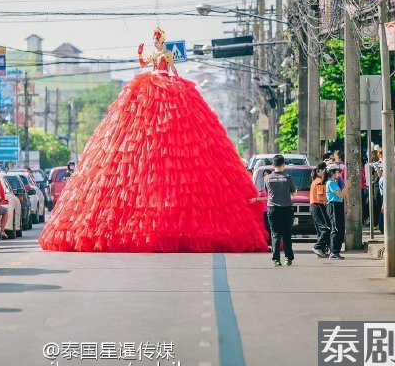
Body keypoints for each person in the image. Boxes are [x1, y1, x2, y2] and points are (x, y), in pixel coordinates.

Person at [38, 26, 268, 252]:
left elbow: (173, 71)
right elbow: (143, 64)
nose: (156, 43)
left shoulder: (167, 55)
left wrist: (174, 83)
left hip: (166, 86)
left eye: (158, 40)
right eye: (154, 41)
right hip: (150, 85)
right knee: (138, 136)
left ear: (162, 42)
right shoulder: (154, 55)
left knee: (175, 139)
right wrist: (140, 54)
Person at [250, 155, 297, 266]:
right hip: (286, 208)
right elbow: (294, 193)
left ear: (273, 165)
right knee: (287, 234)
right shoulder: (288, 177)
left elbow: (268, 191)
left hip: (273, 209)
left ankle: (276, 259)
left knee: (275, 234)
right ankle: (288, 258)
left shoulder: (267, 178)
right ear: (283, 165)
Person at [326, 164, 353, 260]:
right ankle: (333, 251)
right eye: (337, 172)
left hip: (338, 205)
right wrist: (347, 186)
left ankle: (336, 250)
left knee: (340, 228)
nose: (339, 173)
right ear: (332, 173)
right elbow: (341, 195)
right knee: (336, 228)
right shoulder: (331, 183)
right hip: (333, 205)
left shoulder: (335, 182)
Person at [311, 162, 331, 257]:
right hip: (318, 205)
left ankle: (321, 250)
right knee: (326, 228)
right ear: (322, 170)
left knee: (321, 229)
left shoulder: (315, 180)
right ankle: (318, 247)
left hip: (315, 206)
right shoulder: (319, 181)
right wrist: (329, 197)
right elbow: (320, 197)